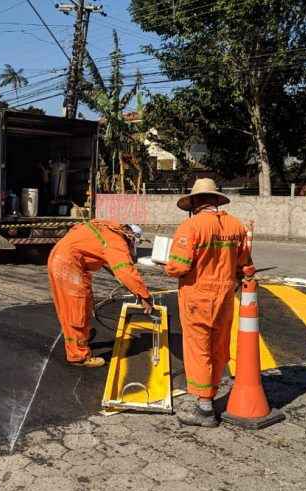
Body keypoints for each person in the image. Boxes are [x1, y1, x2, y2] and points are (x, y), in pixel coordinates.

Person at [165, 178, 255, 427]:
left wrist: (167, 266)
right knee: (218, 346)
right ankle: (212, 394)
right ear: (216, 200)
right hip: (225, 298)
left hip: (198, 297)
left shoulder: (191, 227)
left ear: (194, 203)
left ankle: (204, 408)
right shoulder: (236, 226)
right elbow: (245, 265)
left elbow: (178, 267)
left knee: (199, 349)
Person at [48, 220, 153, 368]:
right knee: (76, 308)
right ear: (130, 237)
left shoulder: (107, 229)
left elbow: (108, 262)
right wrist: (144, 295)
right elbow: (125, 270)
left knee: (82, 303)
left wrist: (130, 286)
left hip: (64, 258)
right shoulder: (116, 240)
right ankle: (78, 355)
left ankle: (83, 335)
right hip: (68, 264)